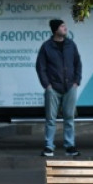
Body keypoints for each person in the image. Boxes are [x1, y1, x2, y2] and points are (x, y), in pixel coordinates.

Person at [36, 19, 83, 158]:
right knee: (50, 119)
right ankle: (49, 147)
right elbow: (40, 67)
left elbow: (78, 63)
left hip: (70, 87)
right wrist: (47, 85)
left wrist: (76, 81)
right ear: (55, 30)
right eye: (62, 26)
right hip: (53, 88)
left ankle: (70, 146)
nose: (65, 28)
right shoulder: (46, 47)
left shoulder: (71, 45)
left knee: (69, 117)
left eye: (65, 26)